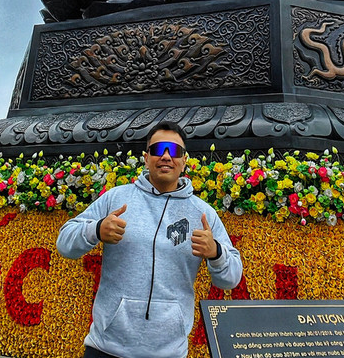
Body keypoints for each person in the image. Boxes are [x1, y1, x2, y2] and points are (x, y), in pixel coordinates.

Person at [57, 122, 243, 358]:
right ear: (146, 158)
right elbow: (64, 242)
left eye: (174, 151)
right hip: (105, 348)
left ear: (184, 161)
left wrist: (216, 252)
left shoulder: (202, 213)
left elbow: (231, 278)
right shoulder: (117, 198)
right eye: (158, 149)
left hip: (169, 352)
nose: (166, 156)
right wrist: (95, 230)